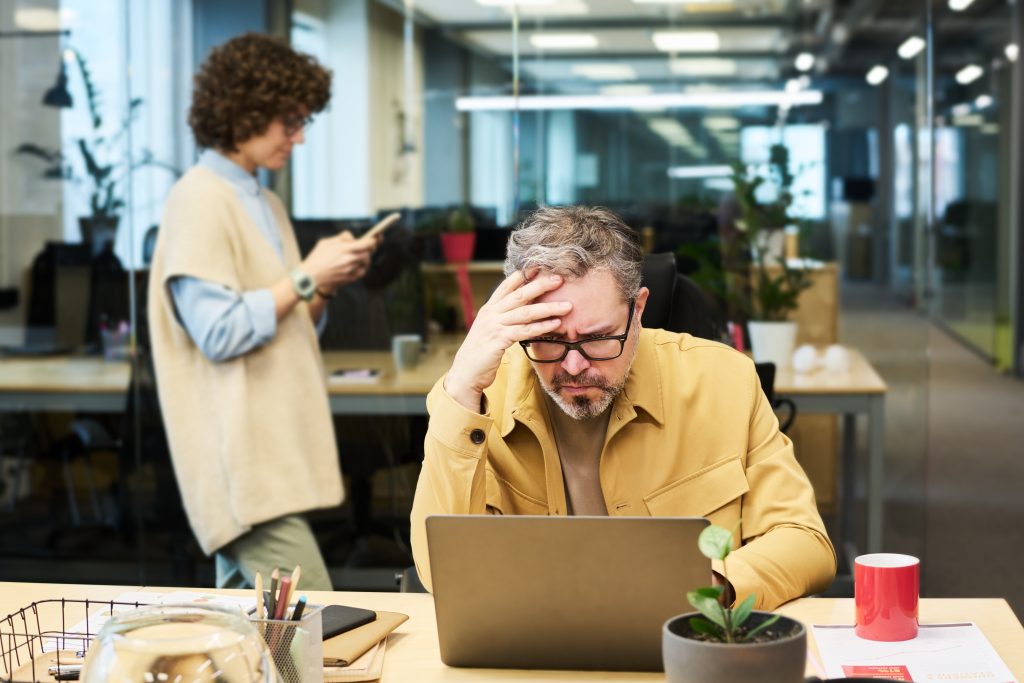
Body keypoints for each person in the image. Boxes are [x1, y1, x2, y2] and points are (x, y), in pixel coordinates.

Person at [410, 205, 835, 609]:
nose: (573, 366)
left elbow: (804, 541)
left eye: (597, 338)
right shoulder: (478, 401)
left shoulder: (725, 381)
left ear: (639, 309)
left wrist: (707, 587)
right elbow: (439, 572)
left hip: (683, 642)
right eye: (551, 339)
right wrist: (462, 389)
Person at [149, 33, 376, 589]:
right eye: (289, 122)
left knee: (254, 640)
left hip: (269, 457)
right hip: (240, 468)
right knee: (315, 630)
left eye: (304, 123)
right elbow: (219, 333)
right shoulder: (198, 198)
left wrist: (324, 284)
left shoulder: (264, 201)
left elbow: (292, 326)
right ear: (244, 113)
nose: (298, 138)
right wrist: (305, 277)